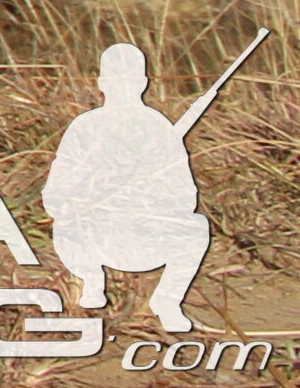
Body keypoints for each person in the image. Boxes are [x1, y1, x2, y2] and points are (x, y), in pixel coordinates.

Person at [44, 40, 217, 334]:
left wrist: (145, 196)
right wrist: (94, 195)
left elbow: (185, 197)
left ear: (142, 82)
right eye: (116, 79)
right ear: (101, 82)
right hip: (94, 234)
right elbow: (55, 195)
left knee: (196, 226)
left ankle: (167, 301)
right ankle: (91, 282)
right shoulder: (85, 127)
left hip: (147, 236)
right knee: (64, 225)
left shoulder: (158, 127)